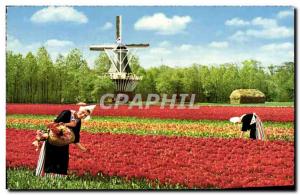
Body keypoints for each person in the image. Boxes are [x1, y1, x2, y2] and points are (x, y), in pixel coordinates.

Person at [35, 105, 96, 177]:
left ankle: (58, 178)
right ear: (79, 110)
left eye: (85, 115)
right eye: (82, 112)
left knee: (62, 160)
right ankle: (44, 177)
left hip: (63, 143)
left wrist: (83, 149)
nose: (83, 115)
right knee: (49, 159)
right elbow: (54, 124)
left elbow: (76, 138)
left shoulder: (78, 122)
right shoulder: (67, 113)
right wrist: (62, 131)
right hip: (52, 139)